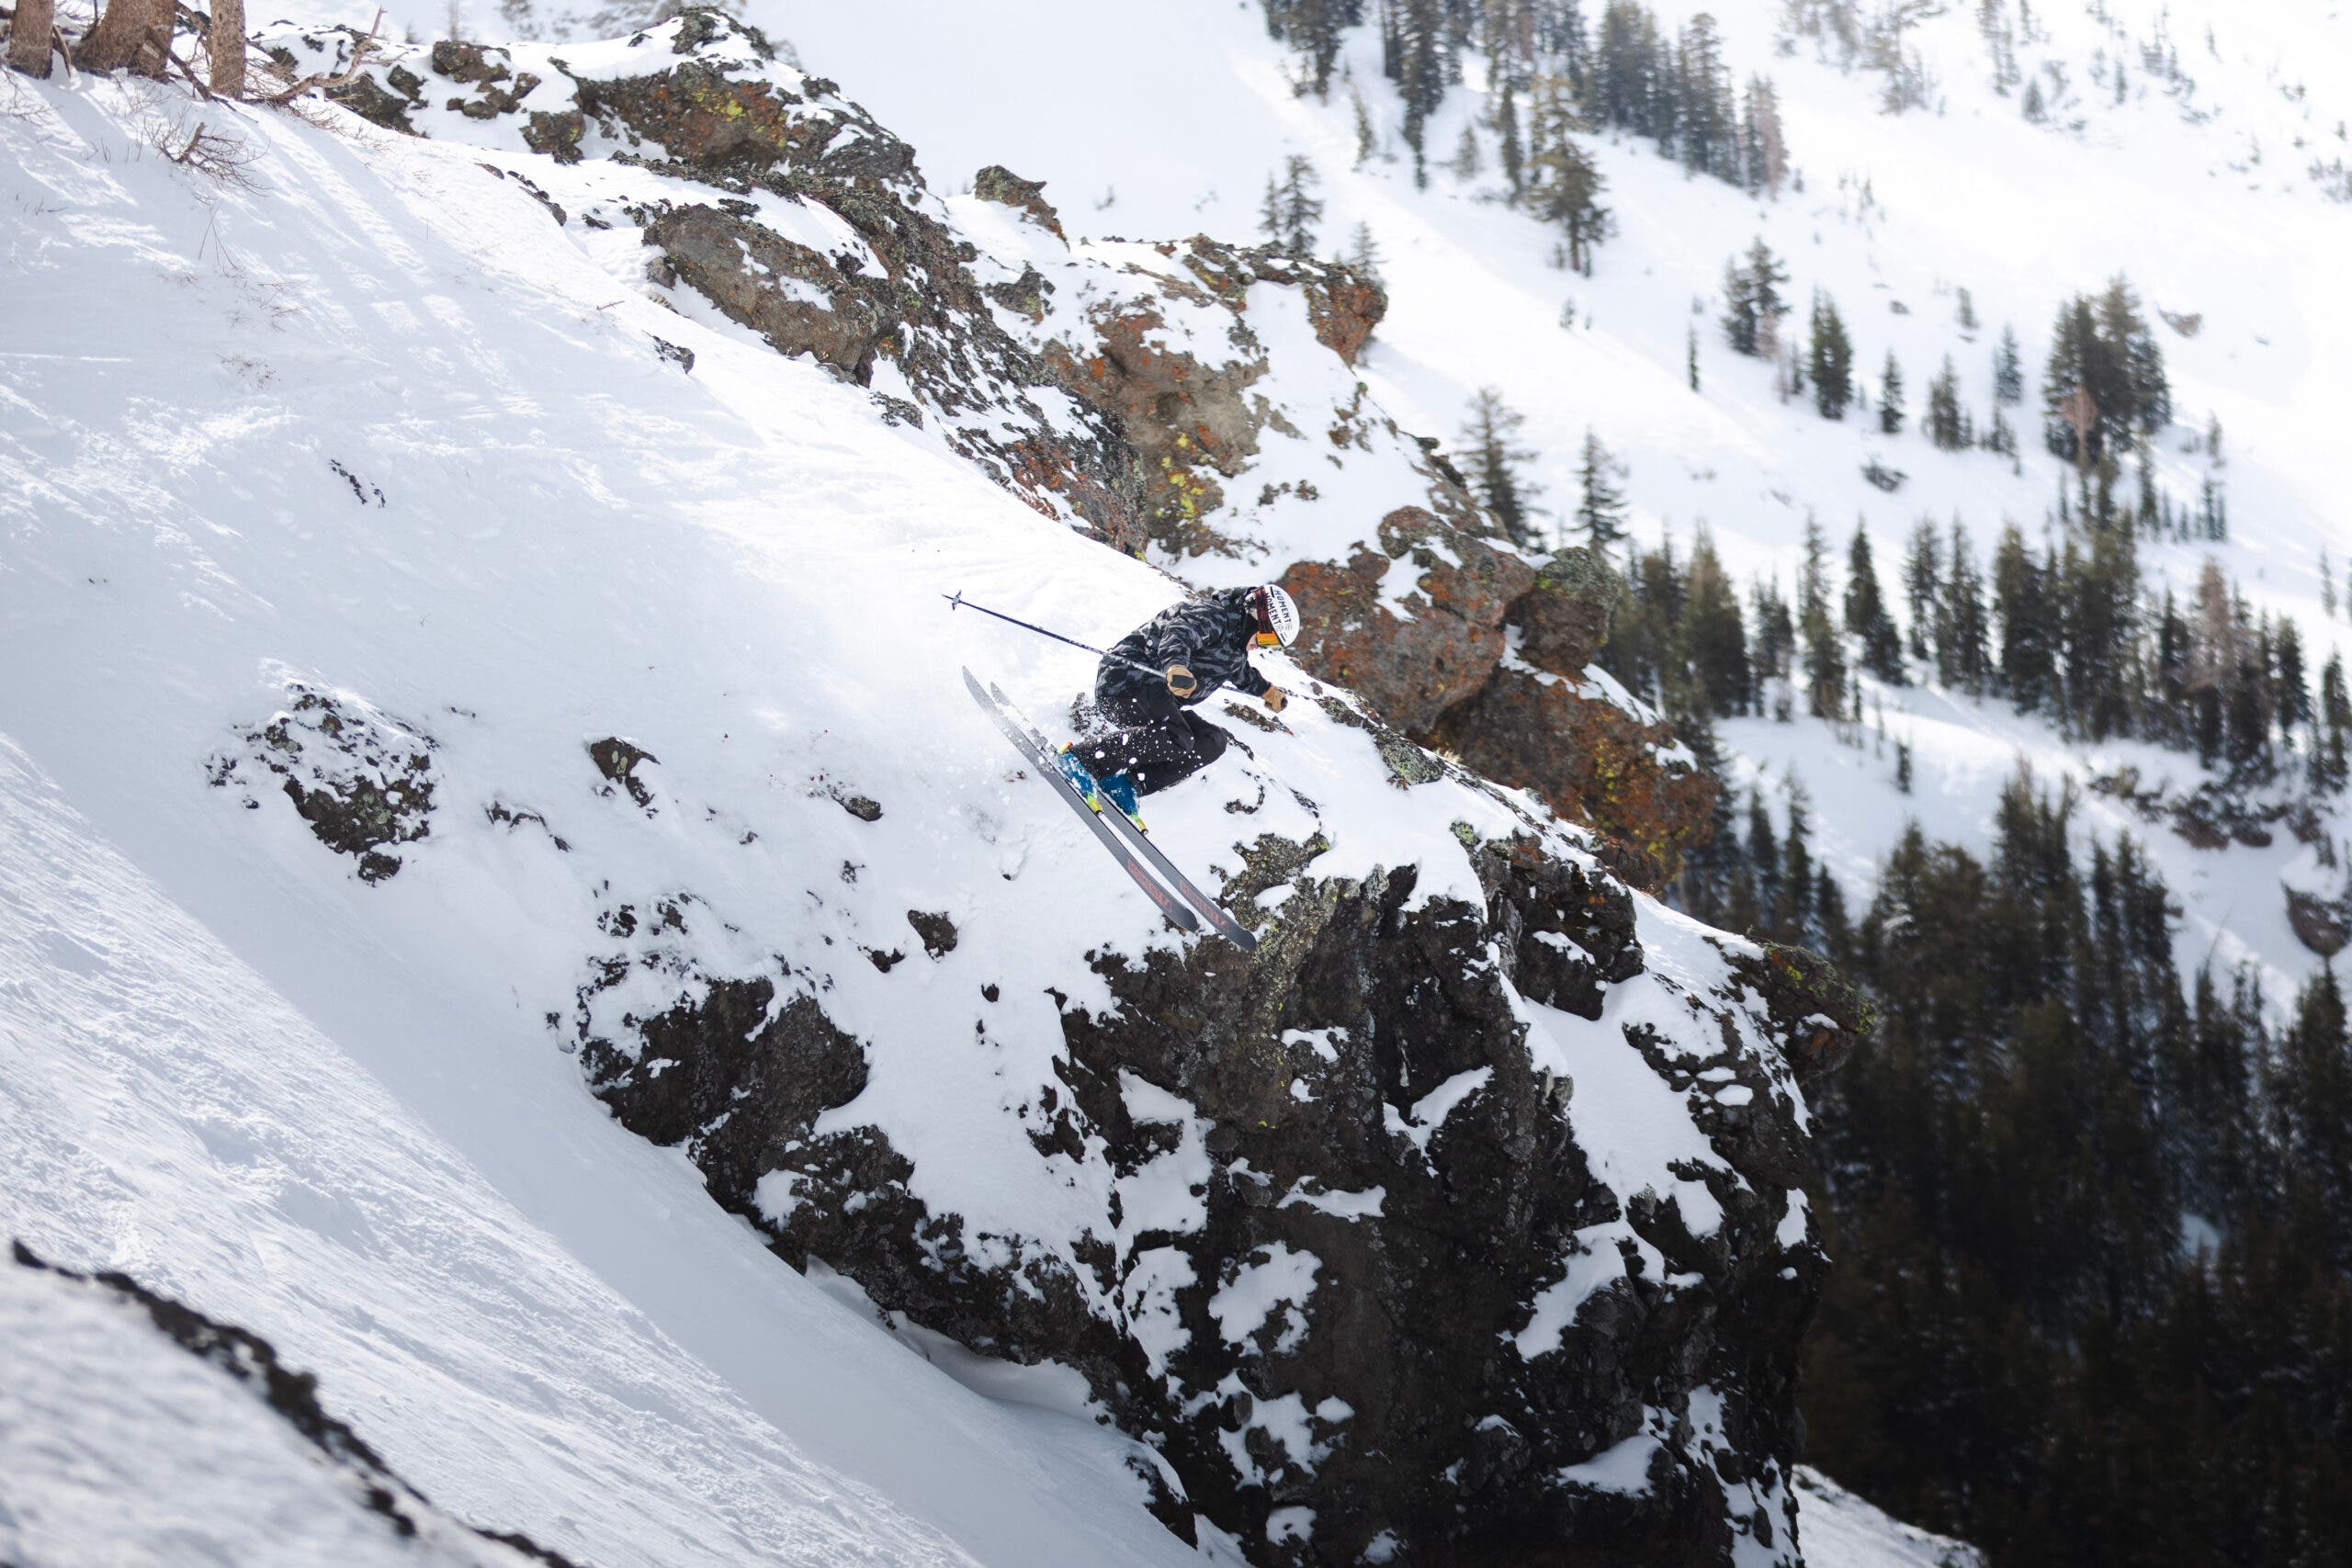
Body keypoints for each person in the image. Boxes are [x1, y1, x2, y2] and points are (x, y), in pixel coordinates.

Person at [1057, 584, 1300, 826]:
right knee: (1178, 736)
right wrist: (1176, 666)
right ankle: (1082, 759)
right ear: (1253, 617)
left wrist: (1267, 690)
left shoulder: (1235, 646)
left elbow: (1240, 672)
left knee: (1212, 741)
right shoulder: (1212, 616)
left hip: (1155, 696)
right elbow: (1179, 633)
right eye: (1266, 637)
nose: (1263, 646)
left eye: (1272, 644)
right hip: (1127, 680)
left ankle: (1127, 784)